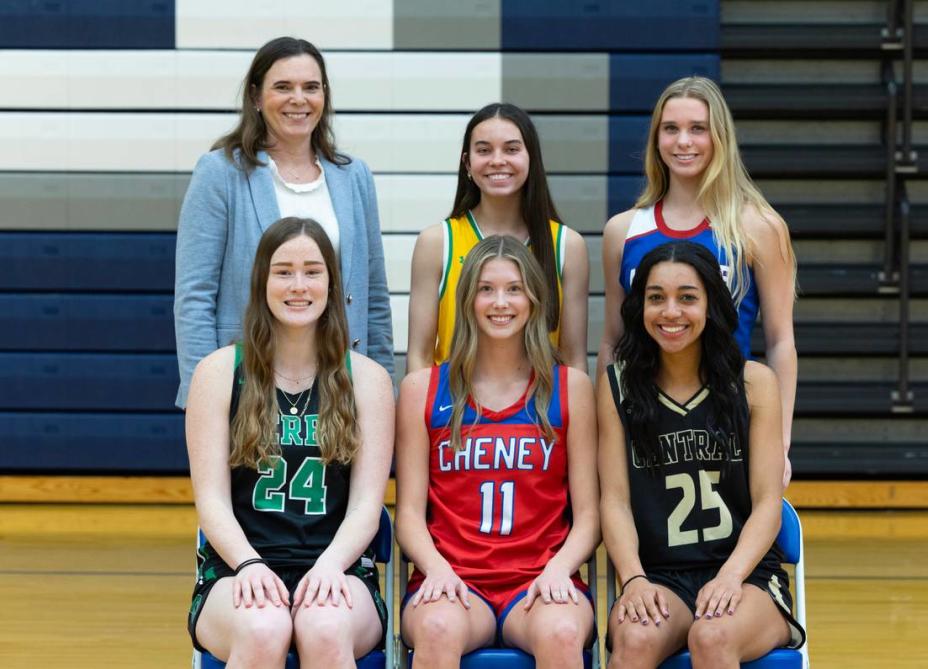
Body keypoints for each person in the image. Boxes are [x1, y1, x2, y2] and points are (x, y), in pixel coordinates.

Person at [185, 217, 394, 667]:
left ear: (332, 284)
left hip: (338, 568)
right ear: (262, 281)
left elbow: (366, 507)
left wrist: (330, 565)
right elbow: (212, 502)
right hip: (237, 569)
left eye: (312, 271)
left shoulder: (369, 380)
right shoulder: (219, 373)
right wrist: (248, 565)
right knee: (265, 629)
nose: (298, 285)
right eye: (283, 271)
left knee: (324, 625)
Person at [597, 242, 805, 669]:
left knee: (711, 637)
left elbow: (768, 502)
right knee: (634, 641)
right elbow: (614, 500)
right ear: (640, 307)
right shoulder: (616, 386)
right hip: (658, 577)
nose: (670, 312)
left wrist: (730, 577)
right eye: (656, 298)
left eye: (687, 297)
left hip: (747, 577)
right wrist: (633, 579)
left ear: (711, 304)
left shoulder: (754, 384)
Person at [396, 236, 599, 668]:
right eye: (486, 289)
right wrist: (436, 568)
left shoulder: (571, 389)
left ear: (534, 299)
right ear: (468, 299)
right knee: (436, 629)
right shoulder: (423, 390)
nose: (500, 302)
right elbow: (409, 515)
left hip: (541, 579)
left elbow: (589, 516)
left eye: (514, 288)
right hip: (453, 579)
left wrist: (560, 569)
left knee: (562, 633)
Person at [174, 36, 393, 409]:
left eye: (311, 87)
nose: (298, 99)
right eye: (282, 87)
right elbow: (194, 297)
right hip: (248, 386)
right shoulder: (220, 173)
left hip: (339, 384)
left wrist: (383, 389)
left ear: (324, 96)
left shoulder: (354, 176)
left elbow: (374, 298)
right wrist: (206, 397)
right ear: (256, 97)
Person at [599, 76, 797, 486]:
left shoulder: (758, 227)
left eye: (697, 128)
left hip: (727, 422)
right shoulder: (623, 231)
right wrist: (606, 435)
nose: (683, 141)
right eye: (670, 129)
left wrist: (779, 442)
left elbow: (780, 342)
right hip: (645, 427)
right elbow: (612, 342)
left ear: (719, 137)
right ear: (656, 138)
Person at [406, 102, 589, 373]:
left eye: (512, 149)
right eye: (484, 150)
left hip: (538, 412)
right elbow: (418, 358)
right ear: (467, 162)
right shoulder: (437, 242)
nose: (497, 160)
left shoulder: (567, 245)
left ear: (532, 158)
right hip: (455, 411)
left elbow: (573, 359)